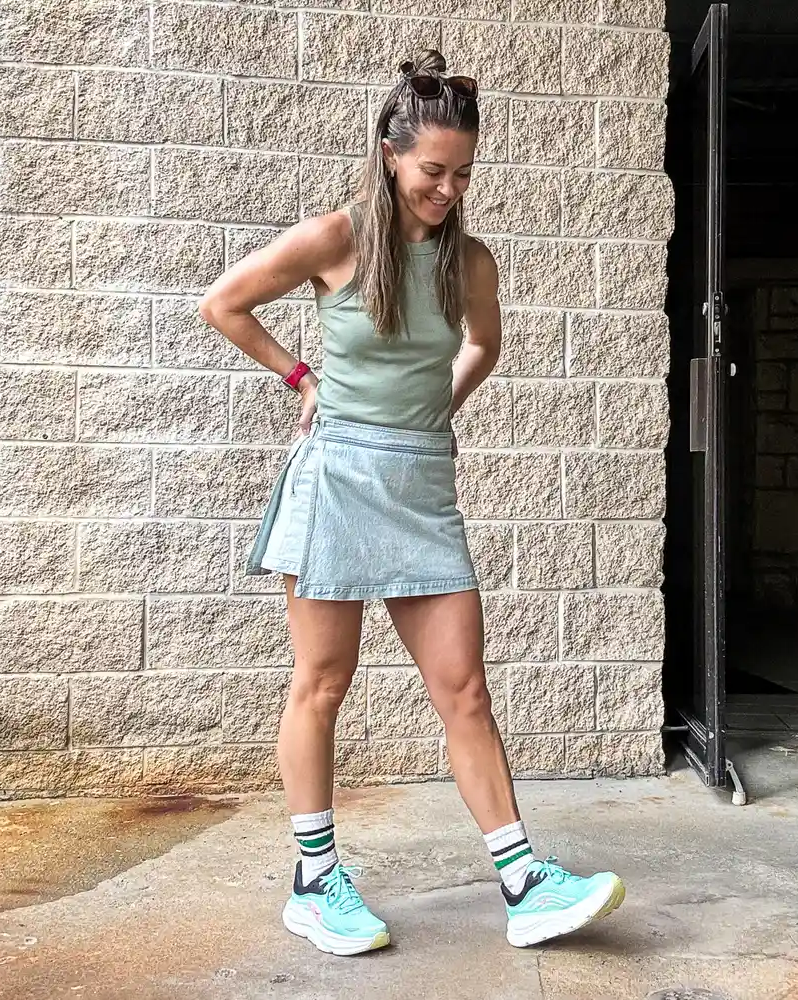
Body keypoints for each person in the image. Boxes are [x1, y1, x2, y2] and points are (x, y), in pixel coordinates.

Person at [198, 50, 625, 957]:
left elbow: (485, 344)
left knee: (464, 688)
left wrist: (436, 408)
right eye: (434, 170)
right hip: (340, 476)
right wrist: (300, 374)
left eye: (463, 172)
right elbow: (224, 303)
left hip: (422, 483)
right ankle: (315, 883)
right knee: (323, 682)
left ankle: (523, 881)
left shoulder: (471, 260)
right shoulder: (337, 238)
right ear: (391, 154)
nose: (448, 187)